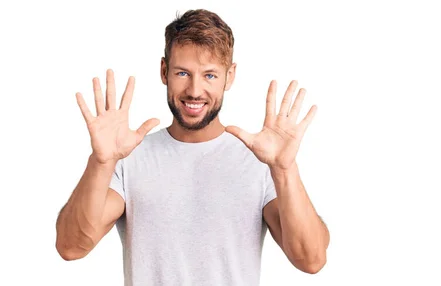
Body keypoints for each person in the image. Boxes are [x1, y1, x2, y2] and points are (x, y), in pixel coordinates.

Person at [54, 8, 330, 286]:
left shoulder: (261, 162)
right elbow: (71, 246)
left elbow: (310, 259)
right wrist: (101, 162)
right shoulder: (128, 158)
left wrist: (284, 169)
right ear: (164, 71)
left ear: (230, 76)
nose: (195, 90)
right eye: (183, 73)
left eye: (210, 75)